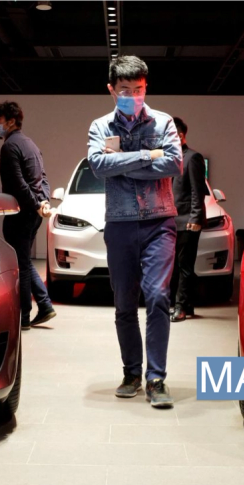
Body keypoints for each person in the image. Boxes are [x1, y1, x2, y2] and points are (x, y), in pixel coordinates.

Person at [87, 55, 182, 408]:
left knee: (157, 296)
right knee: (124, 303)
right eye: (125, 90)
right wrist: (146, 155)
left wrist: (124, 165)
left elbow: (173, 163)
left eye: (139, 89)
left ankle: (156, 379)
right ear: (112, 90)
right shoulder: (100, 126)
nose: (133, 96)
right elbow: (98, 165)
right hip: (120, 223)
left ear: (146, 87)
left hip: (160, 221)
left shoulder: (163, 121)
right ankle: (131, 371)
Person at [0, 100, 56, 331]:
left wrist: (35, 204)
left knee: (21, 263)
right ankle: (44, 305)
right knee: (25, 261)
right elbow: (44, 177)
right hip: (34, 213)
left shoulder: (10, 147)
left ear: (10, 121)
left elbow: (19, 184)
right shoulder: (30, 144)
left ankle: (25, 317)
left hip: (20, 212)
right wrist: (43, 202)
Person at [169, 117, 206, 323]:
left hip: (187, 222)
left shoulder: (193, 158)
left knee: (184, 266)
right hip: (172, 222)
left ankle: (181, 307)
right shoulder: (171, 159)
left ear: (181, 136)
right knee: (175, 266)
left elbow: (197, 191)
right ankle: (187, 304)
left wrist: (195, 218)